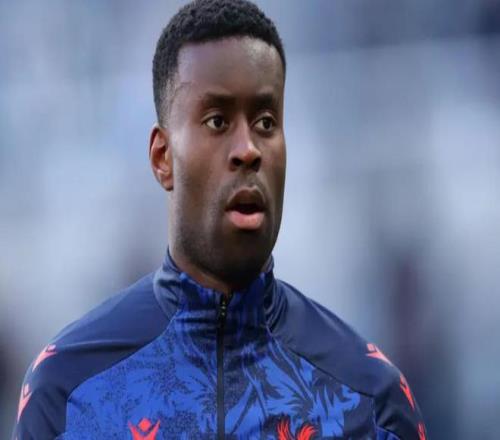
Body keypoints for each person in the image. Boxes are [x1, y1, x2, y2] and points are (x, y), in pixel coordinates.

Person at [13, 0, 427, 438]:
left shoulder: (368, 400)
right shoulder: (69, 393)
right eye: (217, 121)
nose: (248, 149)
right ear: (162, 157)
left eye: (265, 122)